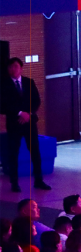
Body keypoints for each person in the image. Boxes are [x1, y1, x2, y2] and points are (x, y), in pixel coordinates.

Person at [2, 57, 50, 191]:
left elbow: (36, 100)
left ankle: (39, 180)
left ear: (21, 68)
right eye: (10, 67)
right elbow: (3, 105)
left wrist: (28, 113)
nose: (13, 69)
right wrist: (19, 113)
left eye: (15, 66)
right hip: (14, 123)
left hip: (29, 122)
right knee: (13, 153)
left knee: (35, 151)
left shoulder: (29, 82)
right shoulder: (3, 85)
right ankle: (14, 183)